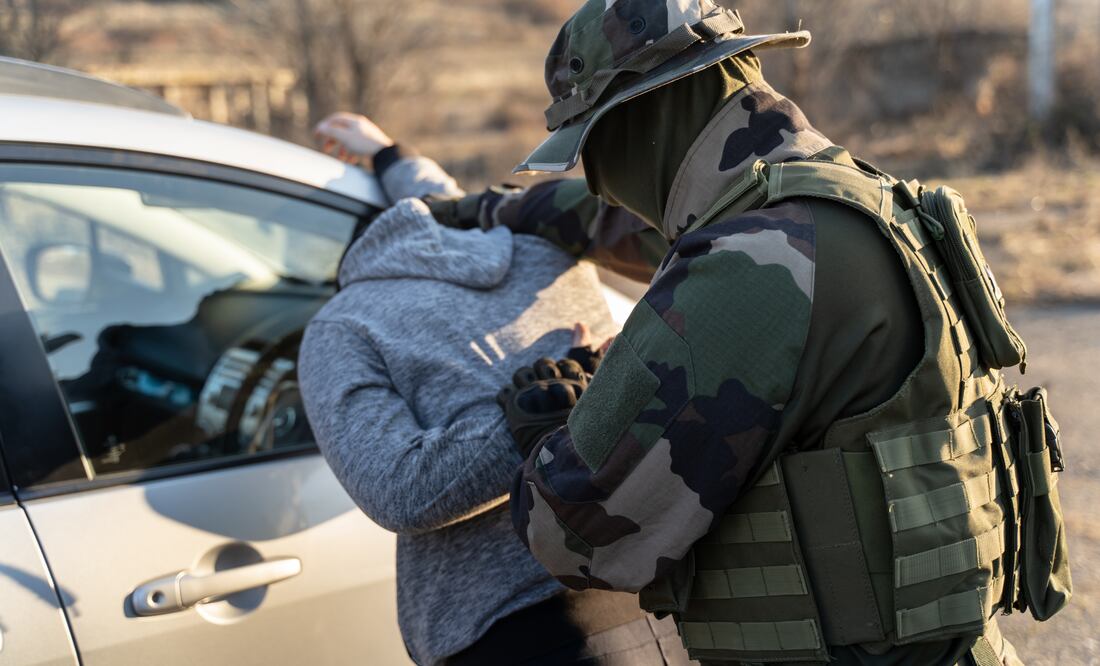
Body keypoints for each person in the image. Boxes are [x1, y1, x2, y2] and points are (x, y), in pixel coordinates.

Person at [412, 1, 1069, 665]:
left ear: (639, 119)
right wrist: (476, 210)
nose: (600, 181)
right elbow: (623, 223)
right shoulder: (854, 200)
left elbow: (578, 535)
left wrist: (545, 431)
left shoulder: (749, 265)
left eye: (592, 148)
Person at [300, 113, 695, 665]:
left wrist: (532, 416)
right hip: (659, 588)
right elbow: (450, 207)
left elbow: (400, 491)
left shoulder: (342, 326)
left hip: (509, 626)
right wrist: (392, 153)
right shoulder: (546, 253)